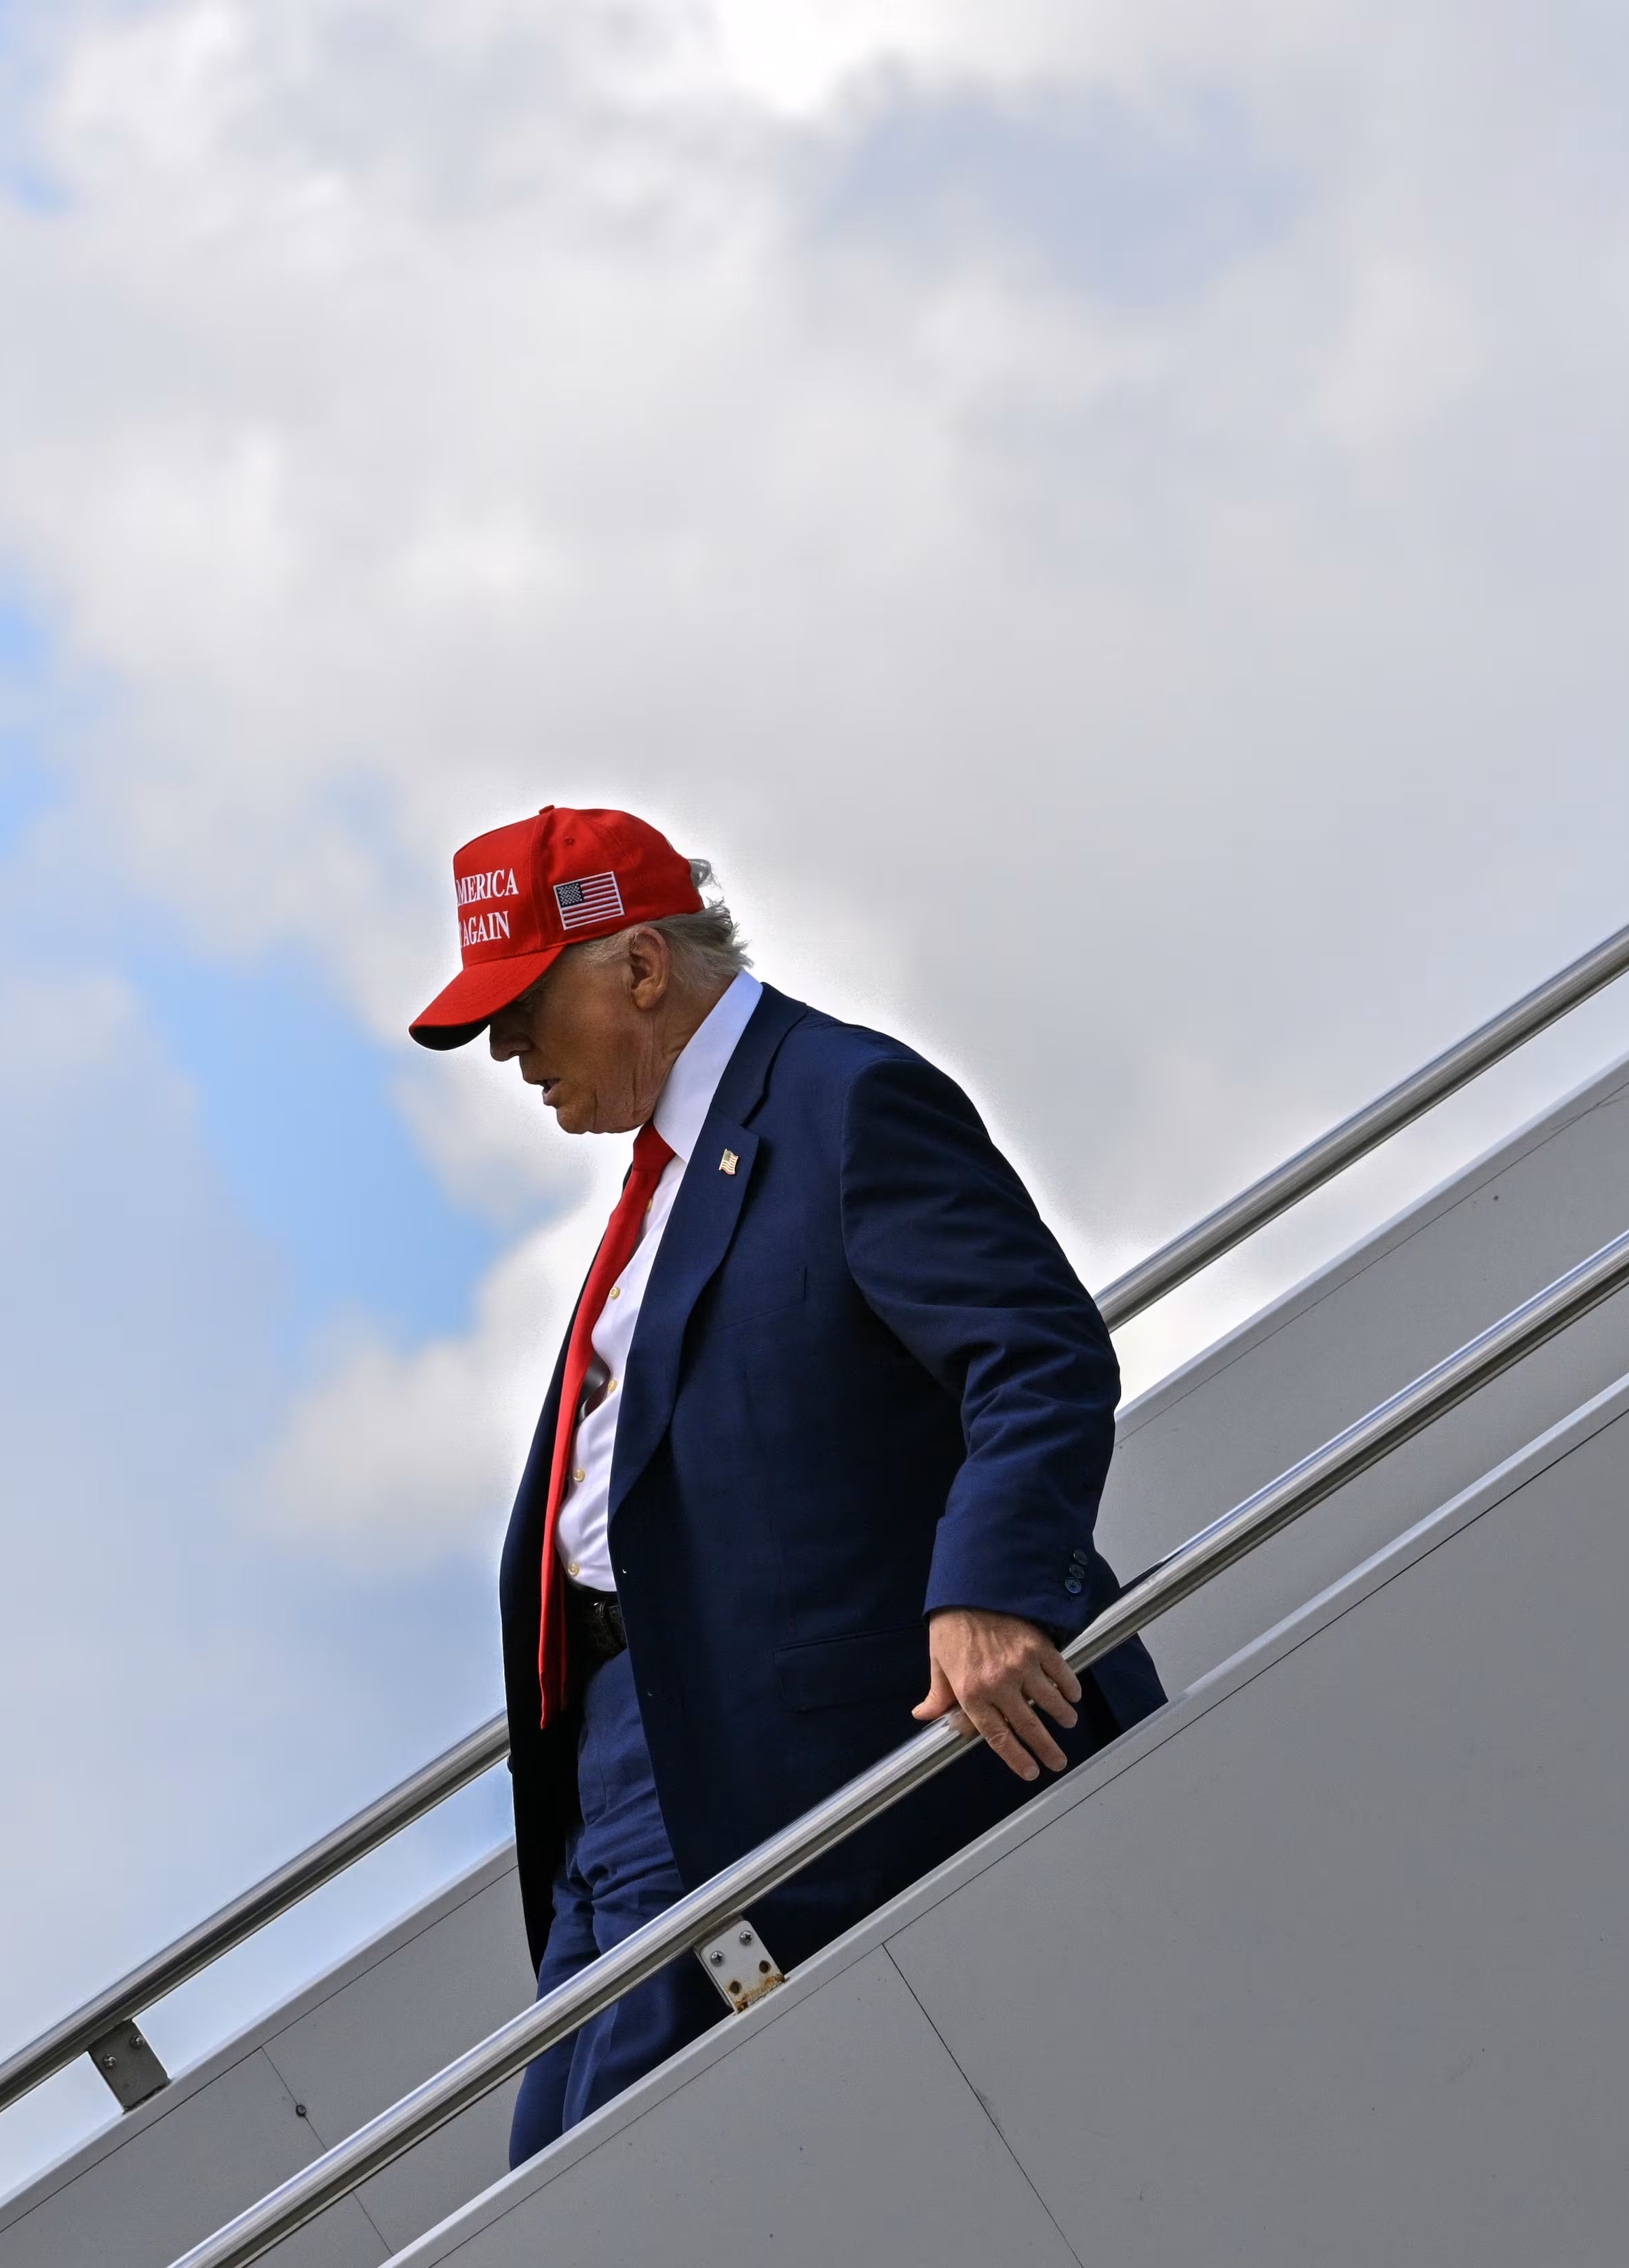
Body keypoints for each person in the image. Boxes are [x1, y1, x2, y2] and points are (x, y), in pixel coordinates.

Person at [406, 805, 1167, 2163]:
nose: (509, 1053)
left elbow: (1036, 1352)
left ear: (641, 968)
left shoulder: (838, 1100)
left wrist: (991, 1588)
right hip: (619, 1756)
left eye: (525, 1007)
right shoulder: (677, 1172)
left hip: (757, 1741)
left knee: (598, 2179)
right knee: (538, 2168)